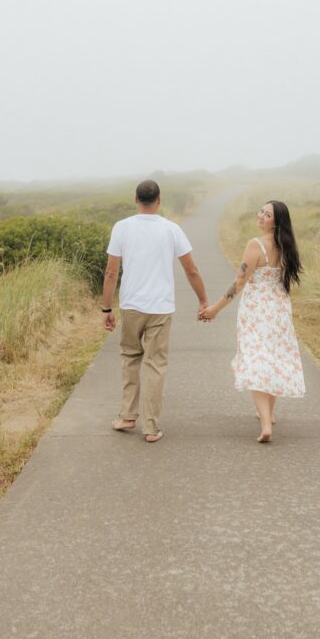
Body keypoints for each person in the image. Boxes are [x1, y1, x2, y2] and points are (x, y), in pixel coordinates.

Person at [101, 179, 208, 443]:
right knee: (155, 365)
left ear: (135, 200)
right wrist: (203, 300)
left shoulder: (122, 228)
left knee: (129, 358)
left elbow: (111, 271)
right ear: (159, 201)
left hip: (131, 306)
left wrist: (106, 308)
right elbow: (191, 269)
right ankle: (150, 427)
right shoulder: (172, 229)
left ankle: (127, 415)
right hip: (160, 308)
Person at [199, 200, 305, 442]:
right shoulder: (287, 246)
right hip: (279, 309)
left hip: (256, 311)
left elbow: (239, 282)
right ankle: (270, 413)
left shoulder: (256, 245)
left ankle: (266, 423)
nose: (260, 216)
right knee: (274, 358)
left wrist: (214, 309)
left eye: (267, 215)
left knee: (255, 359)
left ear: (276, 222)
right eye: (261, 211)